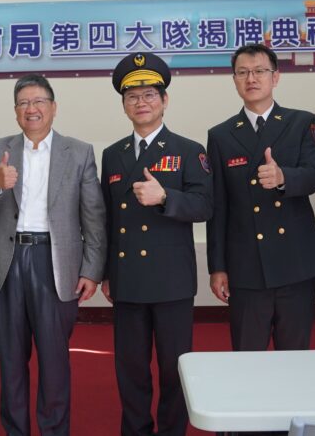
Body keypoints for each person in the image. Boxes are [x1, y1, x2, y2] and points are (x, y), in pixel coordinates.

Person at [0, 74, 106, 436]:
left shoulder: (79, 152)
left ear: (53, 107)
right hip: (7, 263)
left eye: (39, 101)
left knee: (54, 362)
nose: (31, 108)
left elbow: (93, 215)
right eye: (23, 103)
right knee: (11, 361)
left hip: (55, 264)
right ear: (15, 111)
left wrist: (92, 269)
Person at [99, 53, 212, 436]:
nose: (141, 102)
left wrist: (165, 197)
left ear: (165, 101)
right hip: (128, 279)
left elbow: (205, 206)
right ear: (123, 105)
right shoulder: (113, 154)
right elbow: (108, 218)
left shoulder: (189, 150)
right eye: (132, 96)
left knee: (172, 367)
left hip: (171, 282)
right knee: (130, 368)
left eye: (149, 94)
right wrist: (106, 272)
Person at [205, 43, 315, 351]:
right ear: (234, 80)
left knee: (294, 355)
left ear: (276, 77)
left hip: (295, 262)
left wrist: (284, 177)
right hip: (246, 267)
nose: (251, 78)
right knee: (248, 358)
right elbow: (218, 206)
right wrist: (217, 267)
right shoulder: (221, 135)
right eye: (242, 72)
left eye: (259, 71)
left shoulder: (302, 122)